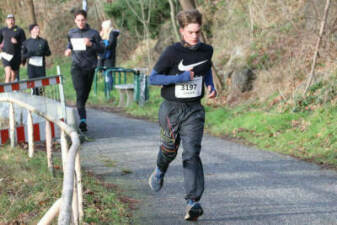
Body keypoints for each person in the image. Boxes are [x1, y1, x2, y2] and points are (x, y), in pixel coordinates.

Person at [148, 9, 216, 221]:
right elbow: (153, 78)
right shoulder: (171, 52)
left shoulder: (207, 51)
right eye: (190, 32)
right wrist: (181, 77)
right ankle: (160, 169)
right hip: (172, 109)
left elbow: (205, 70)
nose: (194, 36)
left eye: (197, 32)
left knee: (191, 153)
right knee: (169, 150)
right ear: (181, 31)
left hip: (194, 110)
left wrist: (210, 86)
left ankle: (192, 202)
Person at [65, 9, 104, 132]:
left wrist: (91, 45)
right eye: (78, 20)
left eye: (82, 20)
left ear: (86, 20)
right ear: (75, 21)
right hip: (76, 67)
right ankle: (83, 120)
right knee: (80, 92)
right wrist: (68, 50)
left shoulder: (93, 33)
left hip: (90, 67)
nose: (80, 22)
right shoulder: (71, 33)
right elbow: (69, 45)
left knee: (84, 95)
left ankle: (82, 114)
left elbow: (102, 49)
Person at [21, 24, 51, 95]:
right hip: (31, 67)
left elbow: (49, 53)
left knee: (41, 88)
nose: (38, 30)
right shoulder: (26, 42)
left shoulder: (43, 41)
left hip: (41, 66)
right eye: (36, 28)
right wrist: (30, 54)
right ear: (31, 31)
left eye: (38, 28)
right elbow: (23, 56)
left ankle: (42, 102)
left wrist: (42, 52)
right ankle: (34, 102)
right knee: (34, 88)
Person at [0, 14, 26, 82]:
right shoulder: (3, 30)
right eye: (9, 19)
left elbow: (24, 43)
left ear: (14, 21)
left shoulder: (20, 30)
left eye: (12, 19)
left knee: (13, 75)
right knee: (8, 73)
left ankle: (12, 91)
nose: (11, 21)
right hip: (6, 55)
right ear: (6, 21)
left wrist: (17, 42)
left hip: (16, 56)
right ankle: (6, 92)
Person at [98, 20, 120, 90]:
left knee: (108, 74)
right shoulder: (105, 34)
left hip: (109, 58)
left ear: (106, 27)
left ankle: (109, 89)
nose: (102, 29)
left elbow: (110, 45)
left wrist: (102, 43)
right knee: (105, 74)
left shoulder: (112, 34)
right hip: (104, 57)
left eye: (103, 27)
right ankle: (107, 89)